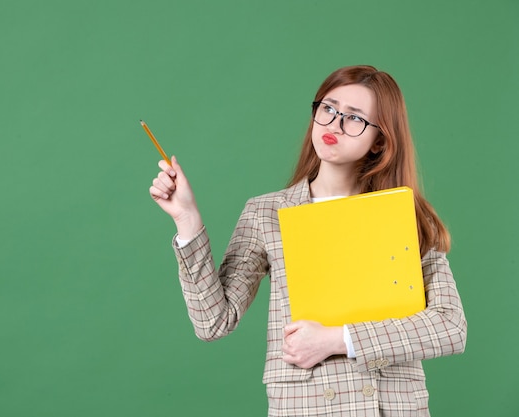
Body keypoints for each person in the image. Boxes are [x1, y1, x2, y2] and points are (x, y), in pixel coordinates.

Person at [148, 65, 467, 416]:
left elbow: (450, 326)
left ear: (380, 139)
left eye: (354, 118)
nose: (334, 124)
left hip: (389, 406)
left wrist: (337, 340)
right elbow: (213, 322)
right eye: (328, 109)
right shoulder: (266, 212)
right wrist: (187, 219)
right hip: (307, 407)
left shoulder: (404, 215)